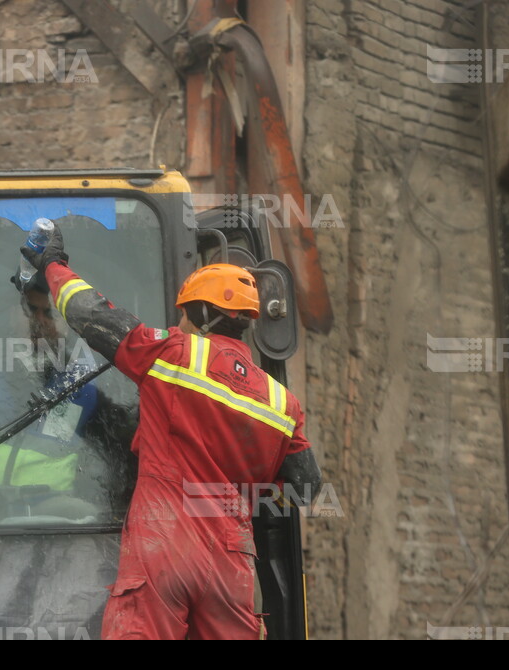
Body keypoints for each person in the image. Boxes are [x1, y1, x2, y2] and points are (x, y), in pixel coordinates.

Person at [19, 225, 322, 640]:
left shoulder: (175, 353)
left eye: (183, 310)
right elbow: (306, 487)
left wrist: (53, 264)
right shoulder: (282, 403)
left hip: (163, 541)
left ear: (202, 313)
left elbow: (90, 314)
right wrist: (246, 493)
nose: (178, 319)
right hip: (232, 560)